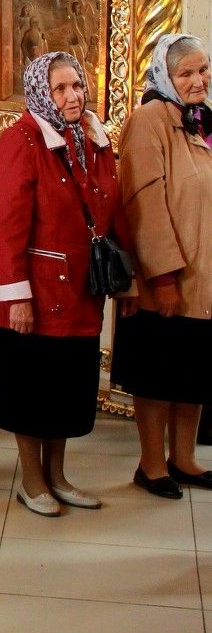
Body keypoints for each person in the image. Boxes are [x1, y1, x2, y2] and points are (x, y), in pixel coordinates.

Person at [0, 51, 136, 516]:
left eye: (77, 86)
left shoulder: (93, 138)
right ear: (40, 94)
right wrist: (17, 296)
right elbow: (5, 224)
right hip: (36, 293)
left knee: (67, 390)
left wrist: (126, 279)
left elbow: (113, 209)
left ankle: (58, 475)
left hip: (80, 292)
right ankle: (32, 480)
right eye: (60, 89)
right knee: (32, 390)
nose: (73, 96)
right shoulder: (21, 141)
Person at [115, 34, 212, 499]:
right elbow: (144, 205)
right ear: (165, 77)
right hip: (166, 280)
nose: (198, 80)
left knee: (194, 372)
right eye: (186, 73)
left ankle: (184, 458)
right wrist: (165, 277)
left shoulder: (201, 119)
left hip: (204, 279)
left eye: (203, 69)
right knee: (157, 374)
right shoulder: (149, 119)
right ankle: (151, 464)